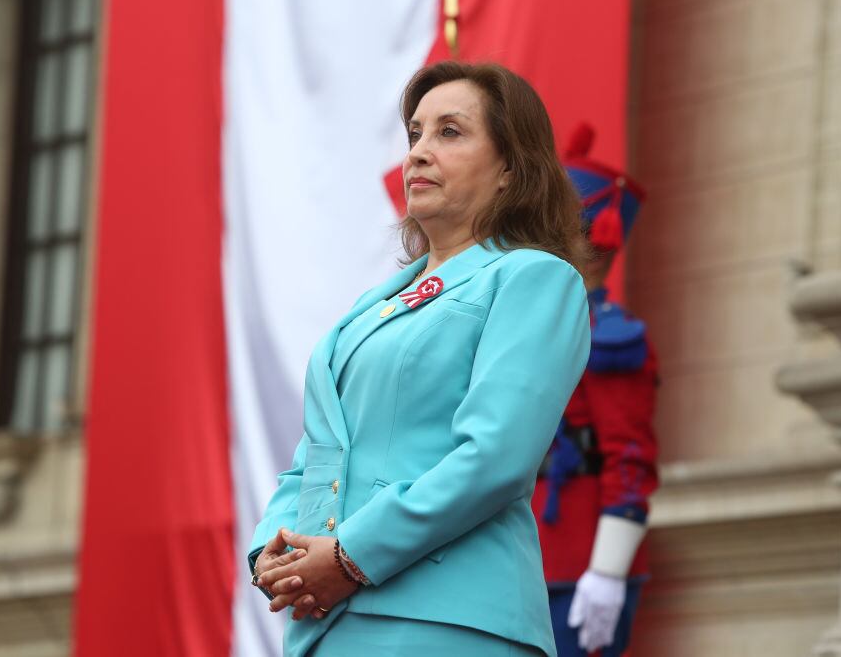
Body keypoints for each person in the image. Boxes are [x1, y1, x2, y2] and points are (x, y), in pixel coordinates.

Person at [249, 61, 593, 657]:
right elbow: (316, 454)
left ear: (512, 168)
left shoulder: (534, 278)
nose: (418, 153)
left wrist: (352, 556)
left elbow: (494, 459)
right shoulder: (372, 306)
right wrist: (272, 553)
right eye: (415, 134)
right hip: (329, 622)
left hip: (451, 623)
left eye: (449, 132)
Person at [532, 127, 659, 657]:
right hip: (521, 560)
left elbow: (630, 462)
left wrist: (607, 571)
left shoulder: (610, 336)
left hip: (578, 569)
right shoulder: (533, 324)